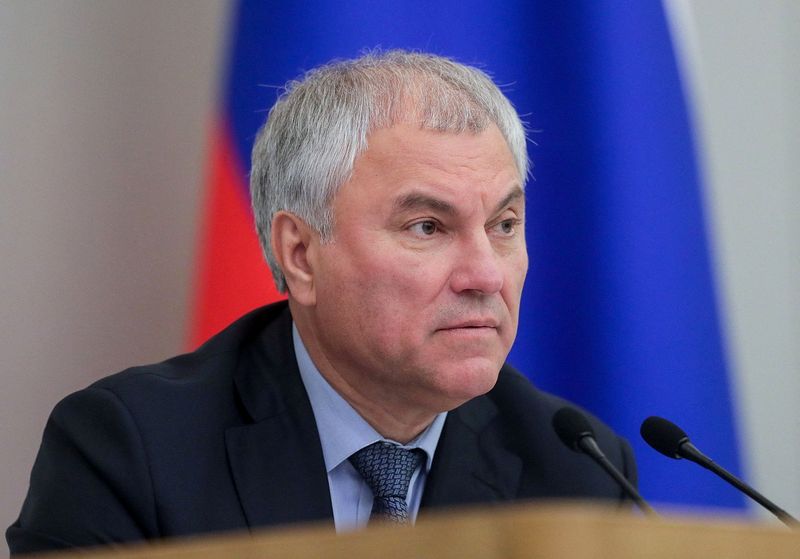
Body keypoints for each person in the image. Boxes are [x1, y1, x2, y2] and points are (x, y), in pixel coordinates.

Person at [7, 51, 637, 555]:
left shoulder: (576, 470)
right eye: (427, 227)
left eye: (504, 225)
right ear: (301, 254)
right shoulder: (132, 451)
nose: (484, 275)